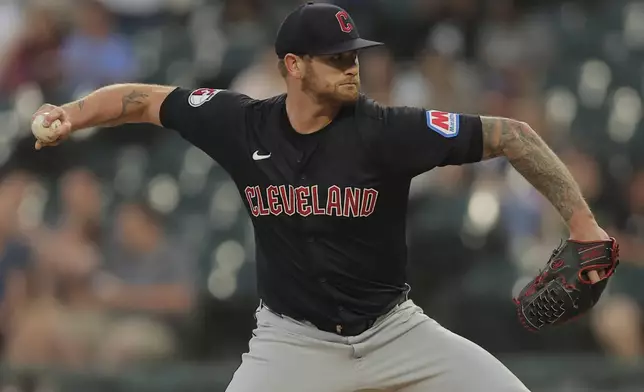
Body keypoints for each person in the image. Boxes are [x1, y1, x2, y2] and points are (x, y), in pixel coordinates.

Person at [31, 2, 613, 391]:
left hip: (394, 330)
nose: (352, 67)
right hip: (291, 341)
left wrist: (584, 225)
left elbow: (514, 135)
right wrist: (70, 114)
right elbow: (141, 99)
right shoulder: (241, 124)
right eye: (336, 59)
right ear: (293, 66)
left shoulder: (387, 130)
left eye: (354, 55)